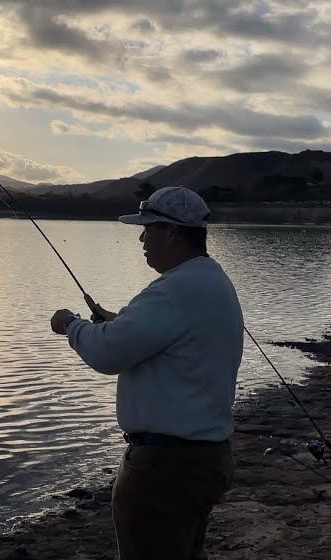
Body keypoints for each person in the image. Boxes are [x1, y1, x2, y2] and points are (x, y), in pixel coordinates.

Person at [49, 186, 243, 560]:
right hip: (204, 459)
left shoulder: (174, 290)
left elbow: (106, 354)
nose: (141, 237)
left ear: (171, 232)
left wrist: (70, 325)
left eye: (148, 228)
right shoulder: (211, 281)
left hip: (166, 468)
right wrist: (117, 322)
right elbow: (172, 338)